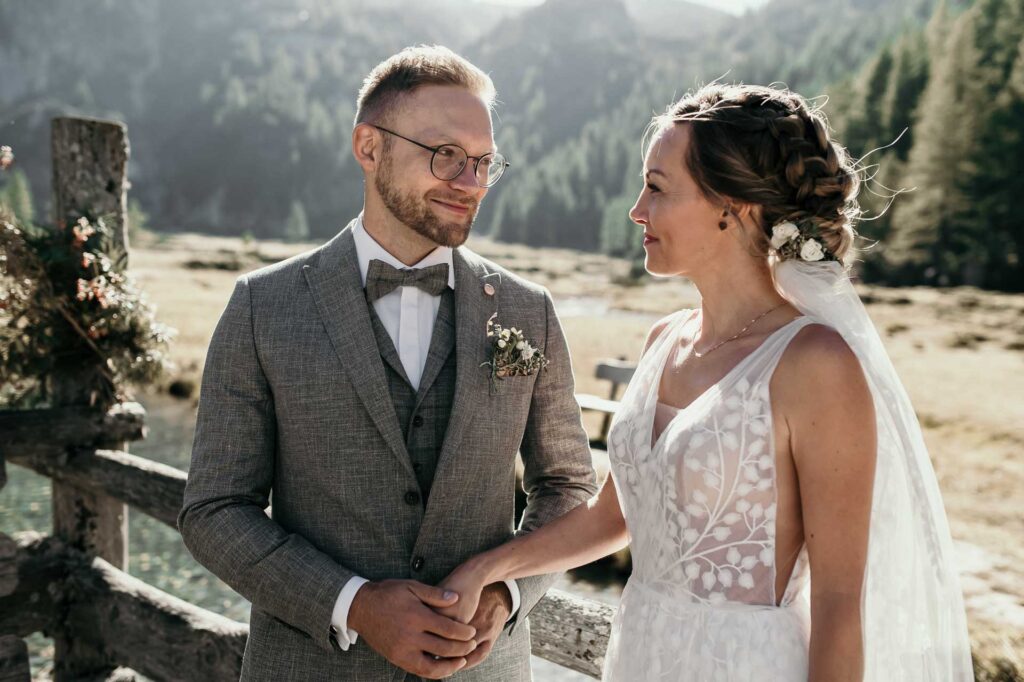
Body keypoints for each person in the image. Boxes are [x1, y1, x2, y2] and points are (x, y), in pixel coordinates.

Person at [437, 83, 973, 681]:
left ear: (732, 205)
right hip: (640, 656)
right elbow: (612, 517)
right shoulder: (663, 339)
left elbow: (840, 607)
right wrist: (489, 569)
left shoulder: (815, 364)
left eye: (658, 188)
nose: (637, 210)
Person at [178, 45, 597, 681]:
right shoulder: (263, 306)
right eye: (446, 155)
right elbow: (214, 510)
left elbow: (567, 486)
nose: (470, 182)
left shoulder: (527, 309)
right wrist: (354, 604)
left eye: (484, 163)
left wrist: (507, 591)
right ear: (369, 148)